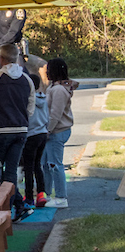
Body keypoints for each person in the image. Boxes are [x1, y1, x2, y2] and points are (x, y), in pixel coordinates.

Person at [0, 43, 35, 218]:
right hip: (20, 129)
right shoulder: (27, 80)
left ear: (1, 59)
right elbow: (30, 108)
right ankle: (17, 206)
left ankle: (5, 207)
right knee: (11, 171)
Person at [42, 58, 76, 209]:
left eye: (48, 69)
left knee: (55, 164)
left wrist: (48, 130)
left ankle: (61, 197)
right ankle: (45, 194)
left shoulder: (58, 90)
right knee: (44, 164)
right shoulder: (54, 87)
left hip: (56, 131)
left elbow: (55, 114)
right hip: (51, 131)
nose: (46, 72)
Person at [21, 73, 49, 211]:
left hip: (31, 134)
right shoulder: (43, 98)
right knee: (38, 164)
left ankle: (29, 197)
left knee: (28, 167)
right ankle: (41, 193)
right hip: (42, 133)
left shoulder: (28, 100)